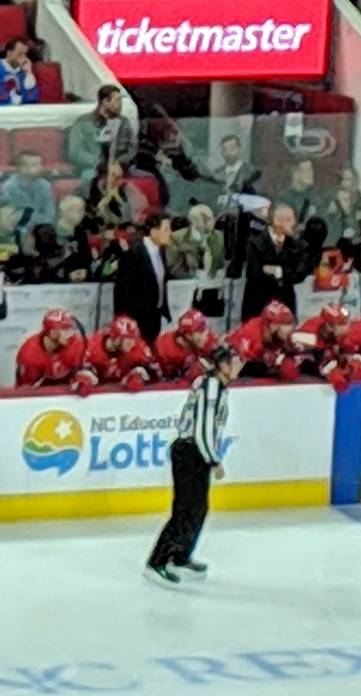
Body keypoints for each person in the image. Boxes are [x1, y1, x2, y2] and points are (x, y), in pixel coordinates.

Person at [146, 341, 240, 585]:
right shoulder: (211, 387)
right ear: (221, 365)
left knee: (198, 509)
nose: (238, 365)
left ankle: (180, 556)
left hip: (197, 453)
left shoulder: (216, 386)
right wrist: (213, 459)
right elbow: (203, 428)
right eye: (233, 361)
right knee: (185, 509)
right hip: (190, 452)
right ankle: (157, 562)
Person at [115, 210, 175, 341]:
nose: (170, 233)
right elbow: (122, 288)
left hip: (155, 314)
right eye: (166, 229)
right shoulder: (134, 253)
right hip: (137, 316)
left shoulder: (161, 252)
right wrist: (123, 318)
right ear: (154, 231)